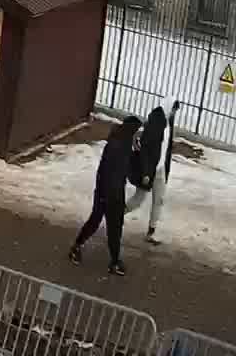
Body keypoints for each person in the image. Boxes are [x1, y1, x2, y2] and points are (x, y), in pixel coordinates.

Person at [70, 114, 142, 276]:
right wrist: (109, 194)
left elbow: (128, 173)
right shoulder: (118, 146)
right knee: (109, 226)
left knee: (105, 224)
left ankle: (82, 249)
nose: (137, 134)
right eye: (136, 131)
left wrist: (136, 154)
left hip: (111, 192)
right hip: (110, 193)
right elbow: (115, 172)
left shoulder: (123, 143)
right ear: (131, 130)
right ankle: (112, 261)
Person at [127, 103, 173, 245]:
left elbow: (166, 150)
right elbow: (146, 151)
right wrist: (146, 173)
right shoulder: (154, 123)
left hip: (160, 171)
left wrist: (166, 169)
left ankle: (151, 232)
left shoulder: (168, 125)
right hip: (149, 170)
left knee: (159, 200)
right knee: (138, 200)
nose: (173, 113)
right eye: (172, 109)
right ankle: (115, 216)